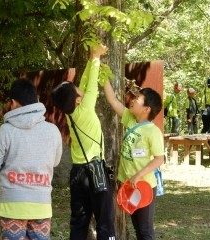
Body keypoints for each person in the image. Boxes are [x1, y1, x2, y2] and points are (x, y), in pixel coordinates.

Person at [51, 44, 116, 240]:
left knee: (78, 223)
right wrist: (96, 58)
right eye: (77, 89)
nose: (81, 86)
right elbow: (92, 84)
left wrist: (91, 58)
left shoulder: (70, 113)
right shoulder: (86, 109)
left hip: (77, 173)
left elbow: (86, 81)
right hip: (94, 170)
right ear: (78, 100)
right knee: (105, 222)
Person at [0, 79, 62, 240]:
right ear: (37, 100)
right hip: (41, 204)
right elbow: (55, 162)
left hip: (12, 205)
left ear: (13, 103)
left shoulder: (6, 130)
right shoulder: (53, 130)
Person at [103, 79, 164, 240]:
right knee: (137, 228)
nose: (133, 100)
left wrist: (138, 175)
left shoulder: (153, 132)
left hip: (143, 186)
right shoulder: (130, 119)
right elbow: (112, 100)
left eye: (138, 99)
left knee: (145, 231)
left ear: (146, 109)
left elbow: (159, 159)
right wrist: (104, 79)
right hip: (128, 185)